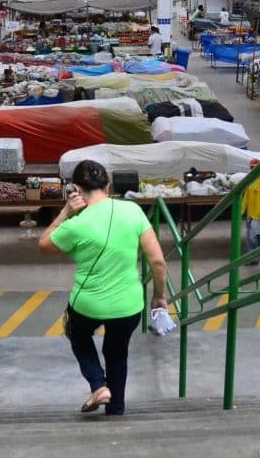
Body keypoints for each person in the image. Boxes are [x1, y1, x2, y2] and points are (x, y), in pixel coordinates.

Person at [38, 160, 168, 416]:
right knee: (117, 353)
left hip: (88, 305)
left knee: (77, 333)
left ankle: (98, 385)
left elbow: (44, 245)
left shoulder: (75, 224)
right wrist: (159, 297)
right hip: (129, 305)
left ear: (75, 189)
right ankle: (116, 410)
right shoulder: (133, 211)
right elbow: (157, 261)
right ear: (108, 186)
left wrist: (65, 212)